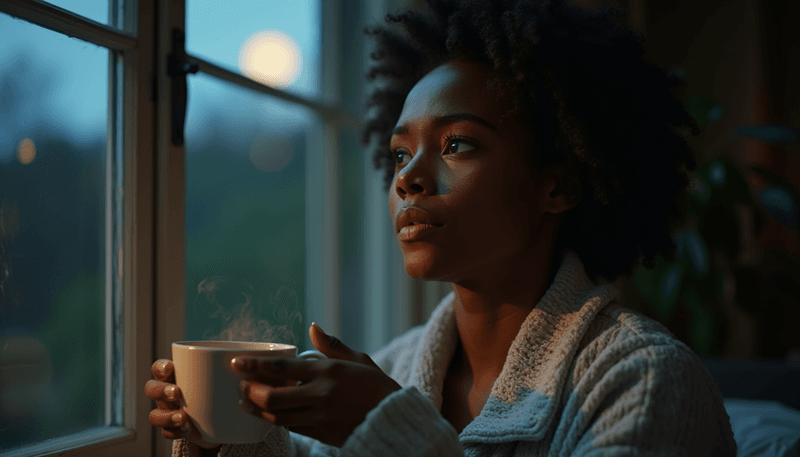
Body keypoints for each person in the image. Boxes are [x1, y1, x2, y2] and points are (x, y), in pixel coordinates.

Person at [146, 0, 738, 455]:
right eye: (400, 155)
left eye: (456, 144)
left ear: (558, 185)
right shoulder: (400, 368)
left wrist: (387, 429)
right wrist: (220, 438)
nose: (408, 180)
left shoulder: (645, 379)